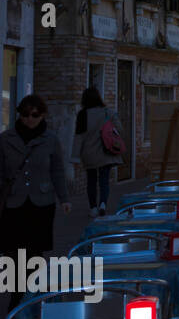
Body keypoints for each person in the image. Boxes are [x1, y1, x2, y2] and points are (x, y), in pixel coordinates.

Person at [0, 94, 71, 267]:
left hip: (41, 202)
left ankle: (33, 290)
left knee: (35, 251)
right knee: (13, 250)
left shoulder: (51, 140)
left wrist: (64, 199)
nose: (29, 119)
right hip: (14, 201)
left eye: (34, 115)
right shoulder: (6, 139)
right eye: (25, 114)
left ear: (42, 115)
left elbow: (57, 171)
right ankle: (17, 292)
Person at [71, 87, 124, 216]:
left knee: (91, 180)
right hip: (105, 152)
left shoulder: (82, 115)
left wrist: (75, 157)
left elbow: (78, 137)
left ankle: (93, 207)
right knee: (104, 180)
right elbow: (120, 129)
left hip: (88, 154)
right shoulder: (108, 112)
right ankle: (103, 204)